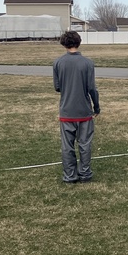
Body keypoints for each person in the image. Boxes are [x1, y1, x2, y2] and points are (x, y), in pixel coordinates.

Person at [52, 31, 100, 184]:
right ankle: (85, 174)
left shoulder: (58, 63)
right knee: (85, 144)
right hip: (84, 111)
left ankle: (70, 175)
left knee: (67, 146)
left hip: (66, 111)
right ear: (79, 42)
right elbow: (92, 88)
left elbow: (57, 87)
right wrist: (96, 107)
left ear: (64, 44)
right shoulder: (88, 63)